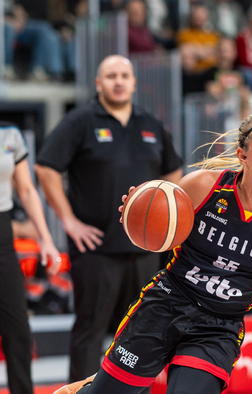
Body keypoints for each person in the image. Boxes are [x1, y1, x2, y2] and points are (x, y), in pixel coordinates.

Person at [54, 112, 252, 394]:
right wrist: (138, 213)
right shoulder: (204, 186)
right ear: (242, 155)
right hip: (168, 301)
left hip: (220, 325)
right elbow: (159, 222)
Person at [35, 55, 183, 382]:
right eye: (111, 75)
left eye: (124, 75)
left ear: (133, 83)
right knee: (91, 331)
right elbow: (45, 168)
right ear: (99, 83)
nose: (118, 81)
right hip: (97, 248)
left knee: (141, 332)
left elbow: (173, 170)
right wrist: (69, 221)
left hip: (145, 251)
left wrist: (169, 222)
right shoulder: (81, 121)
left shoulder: (150, 123)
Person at [0, 122, 60, 394]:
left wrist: (45, 239)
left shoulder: (9, 134)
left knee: (18, 332)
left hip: (3, 239)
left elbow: (26, 189)